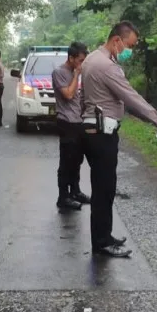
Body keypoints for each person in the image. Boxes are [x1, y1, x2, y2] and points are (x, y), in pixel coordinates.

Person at [81, 21, 157, 258]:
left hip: (94, 132)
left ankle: (104, 235)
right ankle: (102, 242)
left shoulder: (91, 59)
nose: (130, 51)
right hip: (102, 135)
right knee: (104, 189)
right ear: (117, 40)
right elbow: (132, 98)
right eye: (129, 46)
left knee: (104, 188)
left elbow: (84, 97)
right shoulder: (106, 66)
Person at [52, 42, 90, 211]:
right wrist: (76, 75)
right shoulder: (59, 72)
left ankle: (75, 191)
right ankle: (63, 196)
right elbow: (68, 94)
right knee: (66, 161)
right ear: (71, 58)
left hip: (78, 121)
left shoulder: (78, 72)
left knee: (77, 160)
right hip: (66, 121)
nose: (81, 64)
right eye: (80, 60)